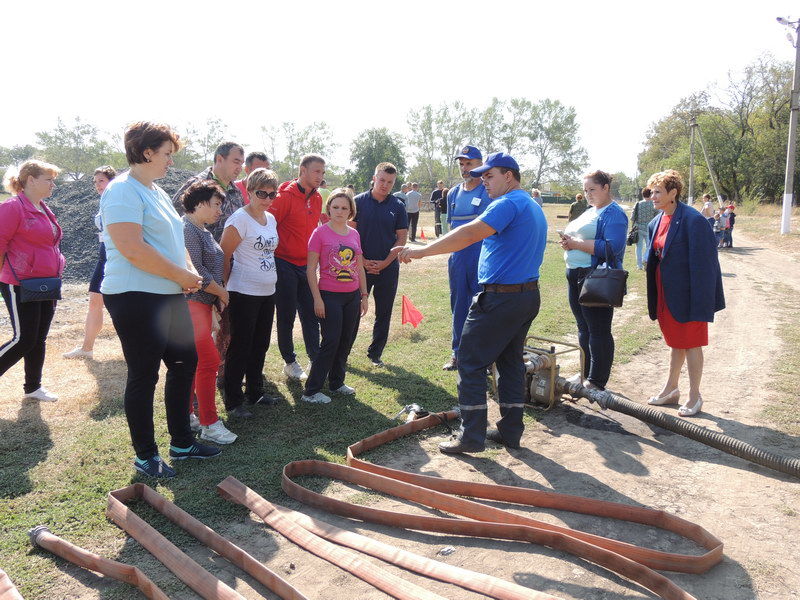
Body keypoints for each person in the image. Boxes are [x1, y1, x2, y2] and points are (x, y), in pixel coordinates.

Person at [396, 152, 547, 454]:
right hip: (526, 296)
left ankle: (471, 435)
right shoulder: (531, 205)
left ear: (509, 176)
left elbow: (468, 233)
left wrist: (421, 250)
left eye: (489, 176)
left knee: (469, 361)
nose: (483, 181)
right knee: (509, 363)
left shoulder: (508, 203)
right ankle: (510, 431)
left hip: (500, 298)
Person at [101, 122, 220, 479]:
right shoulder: (122, 191)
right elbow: (132, 249)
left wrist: (187, 272)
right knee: (144, 374)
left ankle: (182, 442)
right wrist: (179, 276)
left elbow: (175, 240)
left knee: (185, 362)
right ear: (146, 151)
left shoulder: (153, 190)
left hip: (168, 294)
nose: (171, 161)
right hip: (135, 295)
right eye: (167, 153)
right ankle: (145, 456)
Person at [645, 170, 724, 417]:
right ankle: (671, 390)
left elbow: (706, 266)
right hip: (665, 294)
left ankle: (695, 395)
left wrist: (701, 304)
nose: (653, 196)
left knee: (691, 344)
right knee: (675, 342)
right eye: (651, 192)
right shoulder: (655, 222)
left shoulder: (693, 220)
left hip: (690, 296)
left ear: (673, 193)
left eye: (658, 192)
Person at [0, 160, 65, 403]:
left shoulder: (44, 208)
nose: (53, 184)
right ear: (30, 180)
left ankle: (33, 387)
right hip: (18, 282)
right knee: (23, 339)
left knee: (38, 338)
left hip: (46, 282)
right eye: (48, 179)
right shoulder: (11, 208)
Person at [559, 170, 628, 391]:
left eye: (592, 189)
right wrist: (569, 243)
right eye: (585, 190)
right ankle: (585, 374)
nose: (588, 194)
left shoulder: (614, 213)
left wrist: (577, 244)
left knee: (598, 330)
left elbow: (612, 247)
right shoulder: (590, 211)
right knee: (583, 328)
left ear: (606, 188)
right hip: (575, 273)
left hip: (595, 276)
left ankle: (597, 381)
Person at [220, 168, 281, 417]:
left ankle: (255, 392)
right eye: (261, 193)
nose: (266, 199)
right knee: (241, 347)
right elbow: (223, 257)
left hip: (268, 291)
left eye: (271, 194)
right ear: (249, 191)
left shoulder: (271, 219)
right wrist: (223, 291)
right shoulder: (239, 219)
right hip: (243, 292)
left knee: (261, 344)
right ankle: (234, 400)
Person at [181, 180, 237, 444]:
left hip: (203, 306)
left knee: (199, 364)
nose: (220, 211)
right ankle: (209, 423)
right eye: (216, 205)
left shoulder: (201, 230)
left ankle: (189, 414)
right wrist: (222, 293)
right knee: (209, 362)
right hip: (192, 304)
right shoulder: (188, 230)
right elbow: (196, 274)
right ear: (200, 203)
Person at [302, 189, 369, 404]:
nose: (339, 211)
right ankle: (311, 391)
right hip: (329, 296)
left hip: (352, 296)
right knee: (330, 341)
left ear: (351, 211)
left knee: (345, 340)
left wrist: (364, 295)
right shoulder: (319, 234)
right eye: (336, 207)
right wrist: (317, 299)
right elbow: (310, 270)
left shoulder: (354, 234)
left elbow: (359, 266)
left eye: (344, 208)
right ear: (329, 208)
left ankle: (337, 382)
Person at [269, 154, 325, 381]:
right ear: (302, 170)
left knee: (311, 314)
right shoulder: (283, 197)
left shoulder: (318, 198)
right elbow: (268, 228)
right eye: (316, 172)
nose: (320, 177)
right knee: (286, 316)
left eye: (322, 172)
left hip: (307, 266)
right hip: (283, 264)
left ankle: (315, 359)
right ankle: (290, 362)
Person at [441, 145, 492, 371]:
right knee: (459, 305)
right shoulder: (452, 193)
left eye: (469, 163)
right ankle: (457, 353)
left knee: (483, 306)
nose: (464, 168)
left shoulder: (488, 191)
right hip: (459, 259)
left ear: (480, 164)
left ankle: (483, 357)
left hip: (484, 258)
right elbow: (453, 229)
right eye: (461, 164)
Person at [353, 163, 408, 367]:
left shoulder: (398, 206)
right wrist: (363, 261)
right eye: (382, 180)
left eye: (390, 182)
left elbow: (402, 238)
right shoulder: (357, 202)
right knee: (354, 311)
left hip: (388, 268)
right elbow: (351, 236)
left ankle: (375, 354)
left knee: (383, 313)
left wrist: (385, 263)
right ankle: (343, 351)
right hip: (360, 266)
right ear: (374, 178)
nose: (385, 185)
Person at [64, 165, 117, 360]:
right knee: (95, 301)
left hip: (117, 256)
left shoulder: (117, 199)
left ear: (112, 181)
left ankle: (137, 348)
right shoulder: (103, 201)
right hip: (104, 254)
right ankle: (87, 348)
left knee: (121, 304)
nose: (97, 185)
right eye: (95, 182)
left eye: (101, 181)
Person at [173, 142, 245, 240]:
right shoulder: (196, 186)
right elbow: (174, 221)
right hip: (196, 251)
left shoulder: (236, 192)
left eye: (242, 164)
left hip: (227, 254)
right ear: (219, 159)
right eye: (236, 162)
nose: (240, 168)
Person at [629, 187, 656, 270]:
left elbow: (632, 218)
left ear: (643, 194)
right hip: (650, 228)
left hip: (638, 228)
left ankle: (639, 265)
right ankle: (645, 258)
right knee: (649, 246)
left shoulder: (638, 204)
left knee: (639, 247)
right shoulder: (654, 204)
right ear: (651, 194)